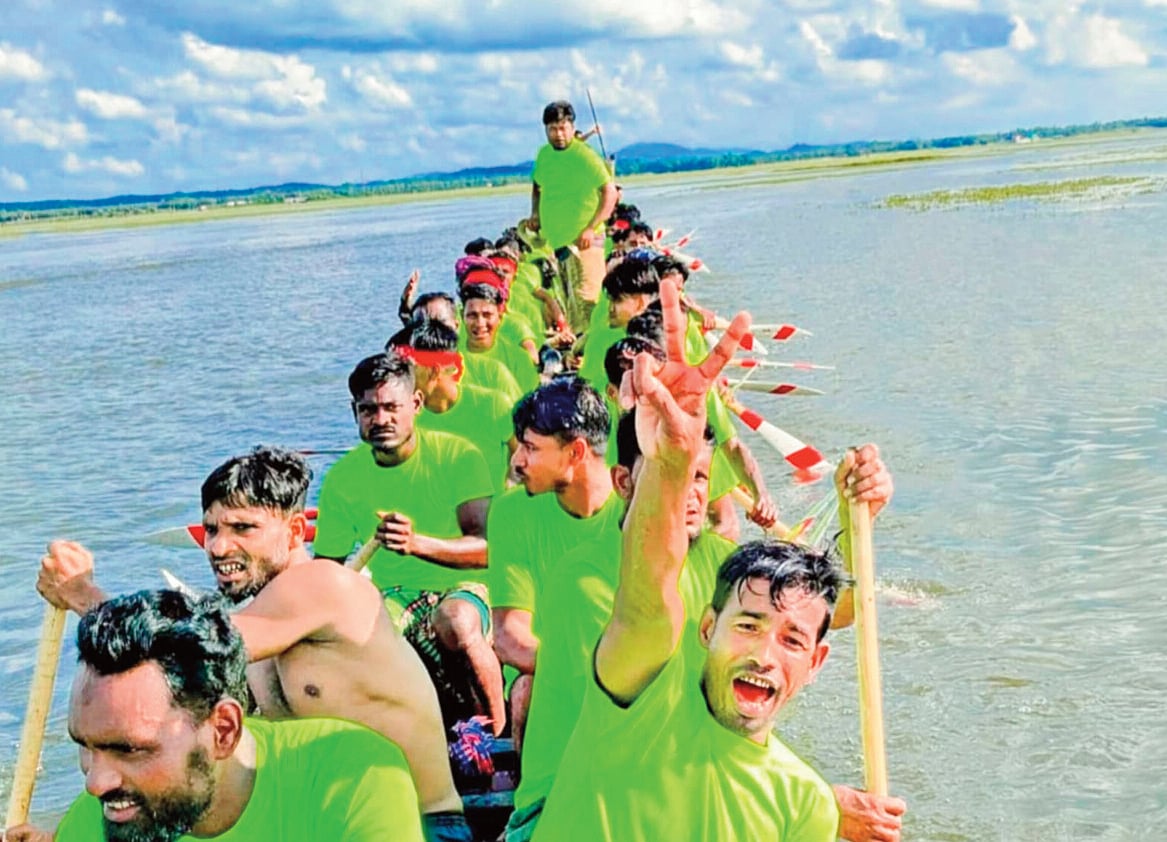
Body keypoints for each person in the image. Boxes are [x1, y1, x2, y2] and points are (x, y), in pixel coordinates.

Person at [533, 278, 898, 840]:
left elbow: (824, 611)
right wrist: (671, 461)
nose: (691, 494)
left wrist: (858, 521)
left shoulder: (722, 560)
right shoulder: (591, 580)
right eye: (746, 626)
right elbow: (648, 609)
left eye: (701, 478)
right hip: (574, 786)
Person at [34, 447, 472, 842]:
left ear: (295, 531)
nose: (219, 546)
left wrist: (82, 595)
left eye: (243, 528)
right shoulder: (259, 627)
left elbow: (182, 652)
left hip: (421, 821)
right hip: (314, 823)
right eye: (211, 529)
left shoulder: (324, 584)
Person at [11, 589, 424, 841]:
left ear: (223, 730)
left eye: (129, 750)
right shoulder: (102, 818)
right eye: (85, 747)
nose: (96, 783)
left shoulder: (351, 774)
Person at [312, 353, 505, 738]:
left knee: (455, 620)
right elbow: (327, 573)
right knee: (360, 639)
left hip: (466, 589)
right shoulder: (342, 480)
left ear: (416, 404)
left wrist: (417, 544)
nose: (380, 419)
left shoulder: (458, 456)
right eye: (368, 410)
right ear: (355, 413)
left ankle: (499, 740)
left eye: (391, 407)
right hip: (396, 595)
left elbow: (487, 549)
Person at [487, 376, 624, 748]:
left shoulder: (635, 512)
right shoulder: (510, 513)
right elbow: (509, 638)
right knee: (526, 692)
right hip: (552, 672)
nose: (516, 461)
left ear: (576, 453)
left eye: (530, 448)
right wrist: (588, 679)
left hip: (626, 670)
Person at [389, 318, 517, 493]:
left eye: (403, 369)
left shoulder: (494, 405)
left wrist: (510, 486)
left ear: (433, 371)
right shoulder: (404, 417)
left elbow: (524, 452)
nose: (395, 379)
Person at [528, 100, 618, 333]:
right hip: (558, 245)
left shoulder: (585, 155)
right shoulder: (544, 155)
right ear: (545, 129)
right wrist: (535, 213)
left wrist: (591, 227)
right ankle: (580, 349)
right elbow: (537, 187)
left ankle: (595, 349)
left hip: (585, 243)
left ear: (572, 127)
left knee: (588, 303)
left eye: (563, 128)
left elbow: (610, 193)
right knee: (572, 307)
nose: (558, 134)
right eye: (553, 129)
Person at [401, 289, 524, 405]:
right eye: (421, 325)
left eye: (439, 324)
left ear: (456, 325)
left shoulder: (493, 374)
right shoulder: (403, 382)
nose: (431, 333)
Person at [457, 281, 540, 394]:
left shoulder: (520, 359)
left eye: (487, 315)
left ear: (499, 317)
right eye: (472, 315)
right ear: (462, 316)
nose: (480, 323)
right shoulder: (451, 357)